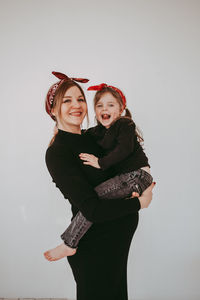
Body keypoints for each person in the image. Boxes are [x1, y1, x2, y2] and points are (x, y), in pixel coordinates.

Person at [44, 71, 155, 300]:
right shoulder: (57, 153)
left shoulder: (95, 136)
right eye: (67, 100)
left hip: (117, 239)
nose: (76, 105)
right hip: (94, 244)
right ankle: (68, 242)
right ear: (53, 110)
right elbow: (92, 209)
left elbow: (124, 161)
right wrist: (139, 203)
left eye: (80, 99)